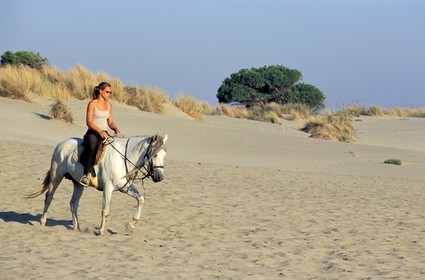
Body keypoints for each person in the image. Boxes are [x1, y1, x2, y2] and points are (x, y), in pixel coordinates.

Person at [80, 82, 121, 187]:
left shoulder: (109, 105)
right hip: (93, 132)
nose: (109, 94)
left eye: (110, 92)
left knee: (115, 147)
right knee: (93, 147)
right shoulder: (92, 104)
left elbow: (110, 122)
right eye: (107, 92)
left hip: (104, 133)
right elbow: (89, 122)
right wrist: (99, 131)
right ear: (100, 91)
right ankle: (86, 174)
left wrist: (115, 128)